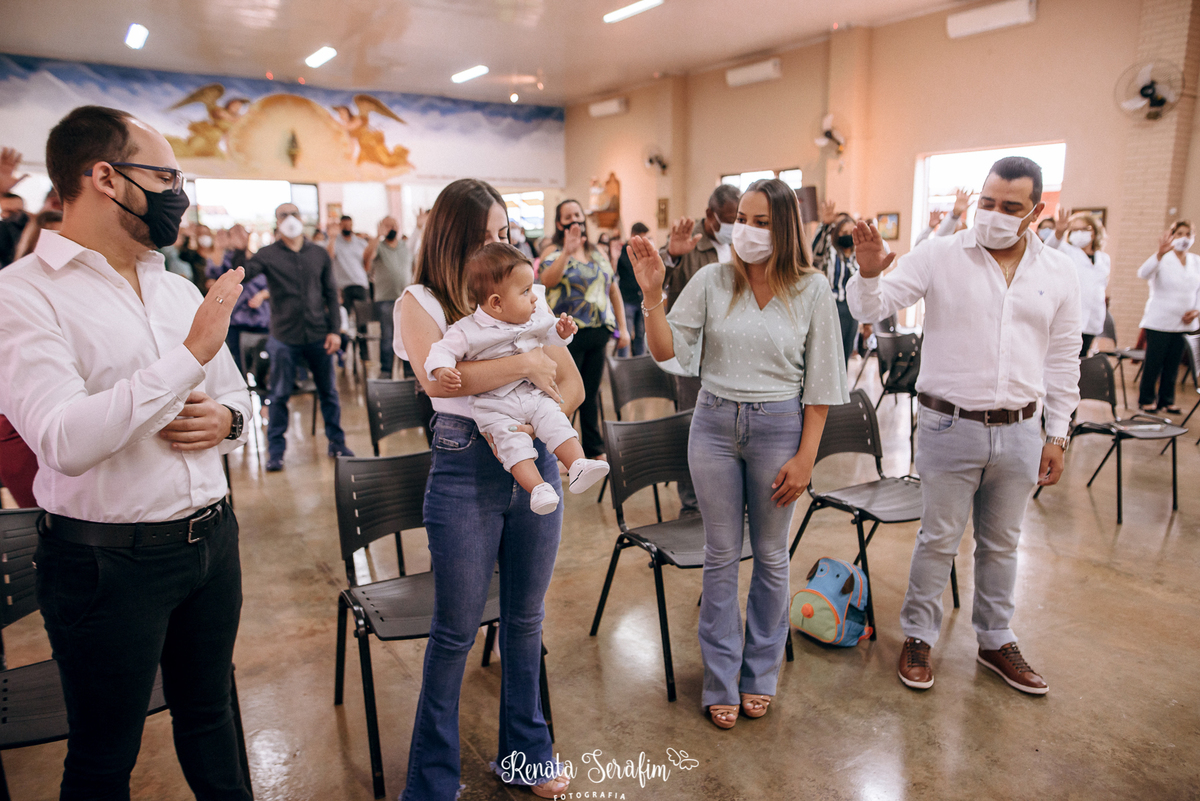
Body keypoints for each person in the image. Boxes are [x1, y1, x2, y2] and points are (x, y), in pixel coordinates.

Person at [0, 104, 252, 799]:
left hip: (212, 543)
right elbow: (62, 439)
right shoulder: (22, 294)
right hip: (106, 563)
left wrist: (226, 421)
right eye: (166, 175)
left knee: (213, 720)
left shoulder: (174, 288)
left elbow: (239, 399)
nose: (179, 193)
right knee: (105, 753)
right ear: (106, 177)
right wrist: (189, 355)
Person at [847, 156, 1081, 696]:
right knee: (939, 540)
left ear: (1036, 212)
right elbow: (875, 307)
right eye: (988, 202)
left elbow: (1063, 358)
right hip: (950, 426)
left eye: (1010, 207)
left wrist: (1057, 433)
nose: (994, 215)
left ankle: (995, 639)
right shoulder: (940, 255)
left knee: (1002, 543)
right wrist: (868, 270)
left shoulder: (1059, 273)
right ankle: (918, 638)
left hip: (1022, 431)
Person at [629, 178, 848, 729]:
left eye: (760, 221)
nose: (745, 231)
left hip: (779, 427)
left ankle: (761, 674)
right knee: (721, 554)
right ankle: (721, 677)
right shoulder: (710, 280)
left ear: (785, 228)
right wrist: (653, 293)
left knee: (772, 557)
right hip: (713, 424)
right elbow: (665, 350)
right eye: (741, 220)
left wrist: (806, 459)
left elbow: (821, 387)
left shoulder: (813, 289)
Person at [395, 178, 583, 800]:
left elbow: (573, 386)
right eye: (487, 234)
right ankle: (431, 781)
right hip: (465, 471)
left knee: (526, 619)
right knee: (455, 631)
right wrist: (527, 366)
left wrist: (531, 403)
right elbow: (442, 382)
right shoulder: (419, 302)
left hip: (532, 461)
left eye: (505, 232)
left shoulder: (522, 298)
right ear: (453, 239)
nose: (500, 245)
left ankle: (525, 757)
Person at [426, 243, 609, 514]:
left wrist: (562, 331)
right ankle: (537, 488)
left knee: (554, 418)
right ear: (496, 303)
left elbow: (550, 335)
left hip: (532, 395)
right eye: (525, 292)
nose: (534, 298)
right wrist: (442, 369)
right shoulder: (467, 330)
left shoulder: (531, 318)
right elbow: (440, 351)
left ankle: (578, 464)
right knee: (512, 444)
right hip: (495, 405)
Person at [244, 203, 353, 471]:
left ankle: (337, 442)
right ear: (277, 222)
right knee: (279, 394)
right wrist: (238, 250)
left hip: (319, 334)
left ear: (301, 219)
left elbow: (330, 292)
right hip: (284, 336)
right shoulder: (267, 255)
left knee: (328, 391)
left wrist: (335, 330)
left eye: (294, 214)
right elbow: (243, 274)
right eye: (283, 215)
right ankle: (276, 452)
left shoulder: (318, 254)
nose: (290, 220)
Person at [539, 199, 630, 460]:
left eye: (578, 214)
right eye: (568, 216)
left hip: (598, 333)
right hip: (565, 335)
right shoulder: (552, 251)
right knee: (563, 394)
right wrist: (567, 252)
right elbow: (547, 281)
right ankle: (558, 453)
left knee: (590, 394)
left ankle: (593, 448)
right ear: (559, 223)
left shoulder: (596, 252)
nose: (575, 219)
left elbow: (613, 288)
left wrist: (623, 328)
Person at [1136, 220, 1200, 413]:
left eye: (1188, 234)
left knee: (1173, 365)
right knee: (1154, 363)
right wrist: (1160, 253)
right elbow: (1143, 273)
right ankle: (1146, 399)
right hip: (1159, 322)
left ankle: (1167, 400)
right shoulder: (1162, 257)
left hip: (1184, 323)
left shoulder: (1196, 261)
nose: (1184, 238)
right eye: (1179, 233)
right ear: (1172, 236)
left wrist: (1197, 310)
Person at [660, 184, 740, 311]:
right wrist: (672, 255)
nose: (735, 227)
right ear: (710, 214)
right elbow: (656, 280)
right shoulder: (687, 240)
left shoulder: (739, 244)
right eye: (730, 221)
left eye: (740, 220)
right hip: (690, 326)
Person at [1047, 208, 1110, 358]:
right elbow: (1047, 249)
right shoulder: (1067, 251)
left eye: (1083, 229)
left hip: (1093, 319)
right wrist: (1058, 232)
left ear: (1093, 232)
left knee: (1083, 362)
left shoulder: (1104, 258)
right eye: (1074, 230)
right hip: (1071, 318)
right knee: (1065, 360)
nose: (1078, 233)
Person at [812, 205, 862, 364]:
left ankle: (843, 386)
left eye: (851, 233)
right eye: (844, 232)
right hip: (832, 306)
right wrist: (825, 225)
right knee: (830, 353)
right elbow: (815, 252)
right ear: (837, 233)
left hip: (851, 309)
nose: (847, 236)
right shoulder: (830, 251)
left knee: (846, 352)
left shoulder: (857, 255)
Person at [364, 215, 412, 378]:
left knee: (407, 336)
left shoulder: (405, 246)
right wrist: (377, 236)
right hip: (385, 299)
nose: (391, 228)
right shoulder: (379, 246)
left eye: (394, 225)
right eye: (387, 225)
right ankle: (385, 372)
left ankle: (409, 372)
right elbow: (366, 260)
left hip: (405, 298)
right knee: (388, 337)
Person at [328, 214, 370, 361]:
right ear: (340, 225)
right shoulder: (335, 242)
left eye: (349, 224)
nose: (347, 227)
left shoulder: (359, 243)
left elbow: (367, 262)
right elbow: (329, 257)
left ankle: (364, 354)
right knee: (342, 320)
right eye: (344, 225)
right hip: (343, 287)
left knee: (362, 322)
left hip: (360, 284)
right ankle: (342, 352)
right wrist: (332, 237)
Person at [615, 222, 649, 357]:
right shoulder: (622, 251)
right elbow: (614, 273)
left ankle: (639, 362)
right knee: (625, 334)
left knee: (641, 334)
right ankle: (622, 366)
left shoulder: (642, 252)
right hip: (627, 299)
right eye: (641, 237)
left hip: (640, 299)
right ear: (634, 235)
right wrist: (614, 257)